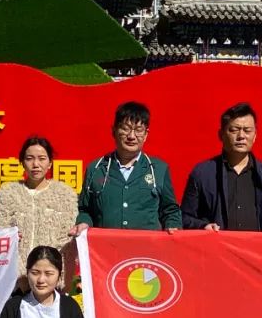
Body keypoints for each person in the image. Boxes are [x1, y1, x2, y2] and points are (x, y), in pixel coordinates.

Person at [70, 101, 181, 236]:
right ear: (114, 131)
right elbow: (85, 209)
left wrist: (173, 226)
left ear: (146, 134)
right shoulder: (96, 169)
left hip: (146, 247)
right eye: (126, 128)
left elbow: (170, 210)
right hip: (107, 246)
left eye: (138, 130)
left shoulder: (159, 169)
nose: (131, 136)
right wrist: (84, 222)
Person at [180, 102, 262, 233]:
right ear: (221, 134)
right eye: (234, 130)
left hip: (258, 245)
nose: (241, 136)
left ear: (255, 135)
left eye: (247, 130)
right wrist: (203, 226)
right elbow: (185, 217)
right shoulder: (202, 173)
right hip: (216, 245)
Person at [0, 136, 78, 278]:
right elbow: (1, 236)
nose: (35, 164)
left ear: (50, 163)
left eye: (42, 159)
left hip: (52, 275)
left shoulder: (65, 195)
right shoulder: (7, 195)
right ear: (22, 163)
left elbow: (67, 240)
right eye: (29, 159)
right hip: (15, 277)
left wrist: (53, 271)